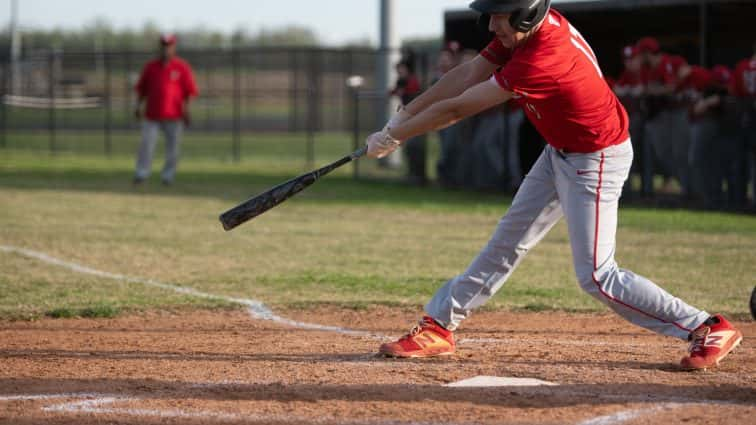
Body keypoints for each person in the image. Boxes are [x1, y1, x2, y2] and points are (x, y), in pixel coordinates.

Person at [365, 0, 742, 370]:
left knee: (597, 274)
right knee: (506, 242)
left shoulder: (542, 56)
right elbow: (463, 77)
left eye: (499, 17)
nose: (492, 26)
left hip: (595, 157)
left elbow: (457, 108)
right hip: (560, 151)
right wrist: (402, 118)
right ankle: (439, 326)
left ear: (526, 13)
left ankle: (705, 326)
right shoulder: (527, 31)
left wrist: (396, 136)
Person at [133, 33, 198, 185]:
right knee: (146, 145)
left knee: (173, 149)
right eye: (163, 45)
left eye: (169, 45)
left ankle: (168, 176)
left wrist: (186, 110)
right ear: (160, 47)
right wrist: (137, 106)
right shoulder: (150, 67)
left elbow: (189, 91)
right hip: (152, 115)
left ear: (173, 47)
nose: (165, 49)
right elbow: (142, 90)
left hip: (174, 115)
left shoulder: (181, 67)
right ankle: (141, 174)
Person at [390, 60, 427, 185]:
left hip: (416, 118)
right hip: (407, 118)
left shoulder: (412, 81)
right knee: (409, 148)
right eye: (398, 70)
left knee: (415, 146)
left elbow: (414, 95)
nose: (399, 72)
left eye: (401, 69)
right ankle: (412, 175)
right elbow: (394, 92)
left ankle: (419, 176)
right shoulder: (401, 81)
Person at [732, 41, 756, 208]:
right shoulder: (744, 66)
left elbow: (736, 94)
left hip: (747, 116)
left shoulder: (743, 66)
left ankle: (741, 199)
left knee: (743, 161)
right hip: (750, 116)